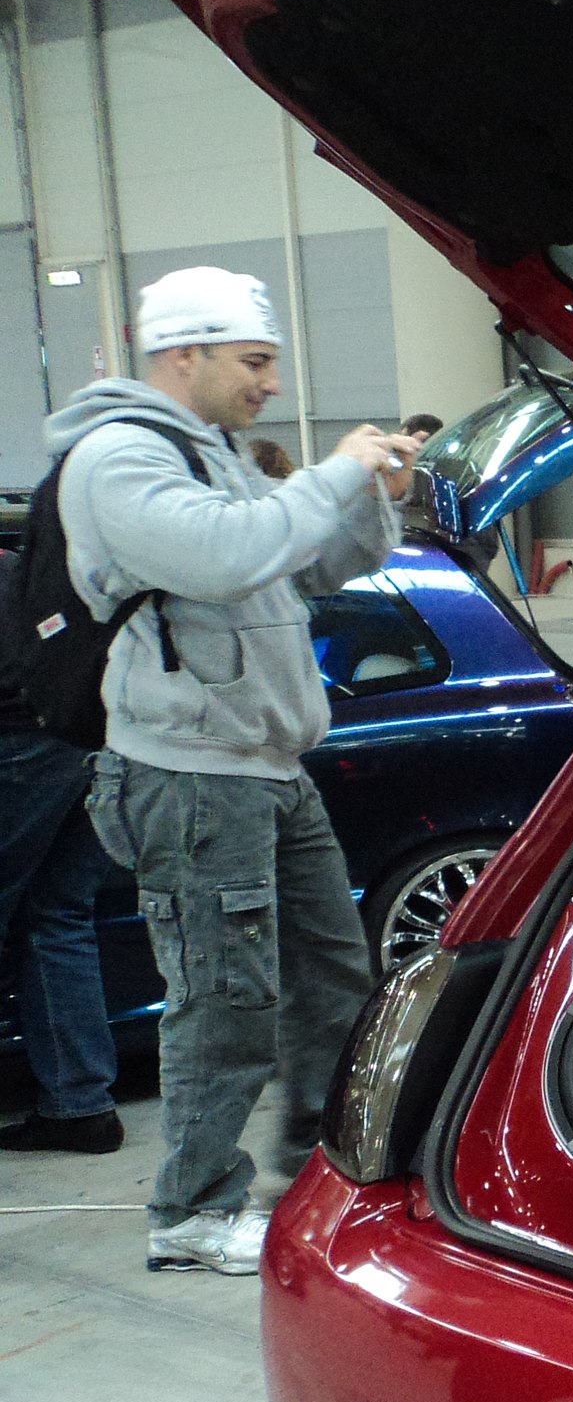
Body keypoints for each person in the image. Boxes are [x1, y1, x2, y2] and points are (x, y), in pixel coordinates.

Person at [63, 265, 420, 1275]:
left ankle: (317, 1174)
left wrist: (373, 495)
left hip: (267, 766)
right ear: (187, 351)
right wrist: (331, 473)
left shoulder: (210, 453)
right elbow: (225, 554)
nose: (271, 382)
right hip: (191, 775)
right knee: (225, 1002)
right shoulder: (120, 458)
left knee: (333, 981)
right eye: (255, 360)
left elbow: (310, 561)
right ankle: (192, 1212)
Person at [0, 700, 123, 1154]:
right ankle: (80, 1107)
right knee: (57, 914)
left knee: (57, 914)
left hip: (19, 733)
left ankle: (80, 1104)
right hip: (101, 734)